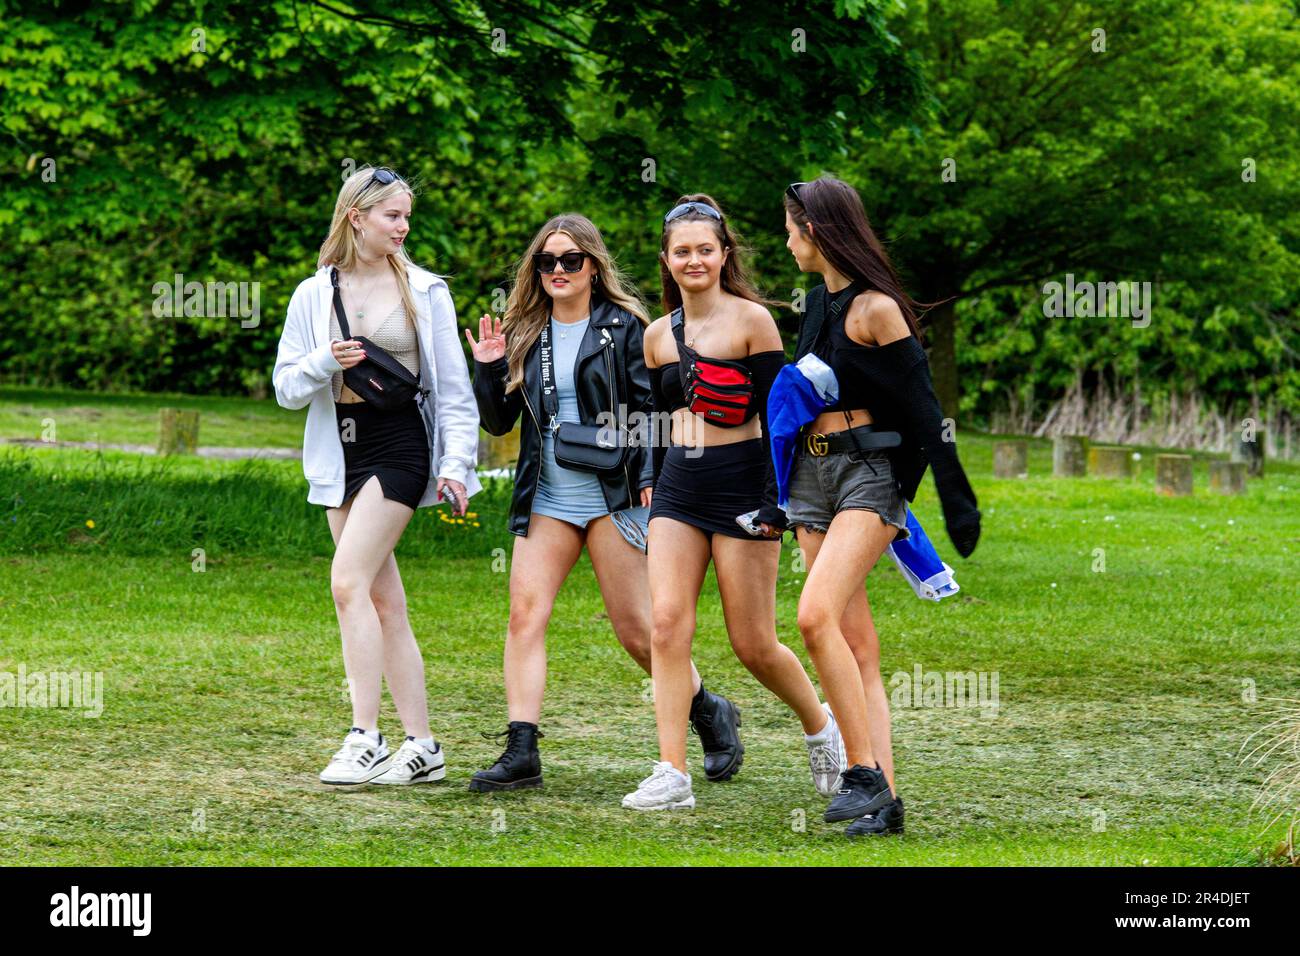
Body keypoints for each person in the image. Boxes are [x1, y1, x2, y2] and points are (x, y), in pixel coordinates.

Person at [466, 214, 742, 791]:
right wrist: (489, 368)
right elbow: (498, 421)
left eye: (571, 261)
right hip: (547, 495)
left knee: (638, 632)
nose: (559, 271)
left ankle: (708, 710)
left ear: (593, 265)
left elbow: (653, 409)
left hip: (615, 493)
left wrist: (647, 475)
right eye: (547, 262)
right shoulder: (526, 331)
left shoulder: (626, 327)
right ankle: (522, 750)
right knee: (524, 616)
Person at [621, 194, 847, 811]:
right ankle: (671, 772)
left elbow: (782, 417)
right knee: (668, 626)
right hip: (678, 489)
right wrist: (650, 477)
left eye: (704, 249)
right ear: (666, 261)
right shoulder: (654, 336)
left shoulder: (753, 321)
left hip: (745, 483)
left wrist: (782, 502)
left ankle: (821, 726)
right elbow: (657, 419)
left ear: (724, 255)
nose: (693, 259)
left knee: (752, 642)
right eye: (681, 251)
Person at [782, 176, 981, 836]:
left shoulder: (875, 308)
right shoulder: (817, 304)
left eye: (790, 228)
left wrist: (951, 500)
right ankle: (886, 803)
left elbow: (925, 410)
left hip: (868, 476)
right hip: (811, 478)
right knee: (853, 645)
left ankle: (860, 772)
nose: (786, 241)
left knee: (814, 617)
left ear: (815, 231)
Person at [272, 165, 481, 786]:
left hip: (399, 446)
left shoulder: (425, 290)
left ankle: (364, 736)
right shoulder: (313, 293)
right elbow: (285, 387)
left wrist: (456, 466)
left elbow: (453, 389)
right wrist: (321, 360)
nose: (404, 226)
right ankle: (424, 746)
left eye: (407, 216)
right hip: (339, 451)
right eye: (393, 215)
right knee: (385, 600)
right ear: (355, 217)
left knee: (347, 583)